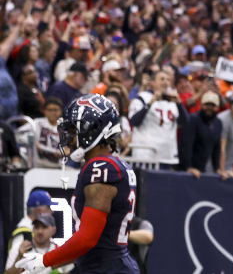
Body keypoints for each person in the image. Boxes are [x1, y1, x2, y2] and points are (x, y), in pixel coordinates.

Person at [14, 94, 140, 274]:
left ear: (92, 129)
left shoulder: (100, 167)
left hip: (106, 269)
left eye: (74, 130)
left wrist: (45, 259)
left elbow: (88, 238)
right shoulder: (115, 165)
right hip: (105, 265)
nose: (70, 136)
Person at [127, 69, 187, 169]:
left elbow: (185, 122)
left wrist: (179, 104)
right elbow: (134, 122)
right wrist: (150, 103)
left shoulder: (173, 102)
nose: (166, 82)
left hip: (166, 156)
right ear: (153, 83)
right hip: (145, 155)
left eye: (168, 79)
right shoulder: (142, 98)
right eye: (162, 79)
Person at [6, 214, 73, 274]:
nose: (40, 231)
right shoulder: (19, 247)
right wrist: (19, 256)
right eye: (37, 227)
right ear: (32, 229)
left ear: (53, 230)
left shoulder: (59, 250)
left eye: (44, 227)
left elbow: (67, 271)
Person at [5, 191, 54, 272]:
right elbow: (9, 271)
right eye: (49, 207)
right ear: (39, 210)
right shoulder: (24, 234)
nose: (52, 211)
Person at [180, 91, 224, 179]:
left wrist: (217, 168)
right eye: (207, 104)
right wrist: (189, 167)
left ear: (218, 107)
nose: (209, 108)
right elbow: (186, 145)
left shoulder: (218, 123)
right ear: (201, 105)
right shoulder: (193, 119)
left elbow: (217, 148)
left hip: (201, 169)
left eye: (213, 105)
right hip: (185, 169)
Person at [33, 97, 63, 168]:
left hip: (59, 164)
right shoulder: (37, 123)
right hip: (40, 162)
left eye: (55, 110)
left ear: (60, 111)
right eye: (49, 110)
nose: (52, 113)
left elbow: (67, 149)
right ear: (44, 111)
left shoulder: (64, 127)